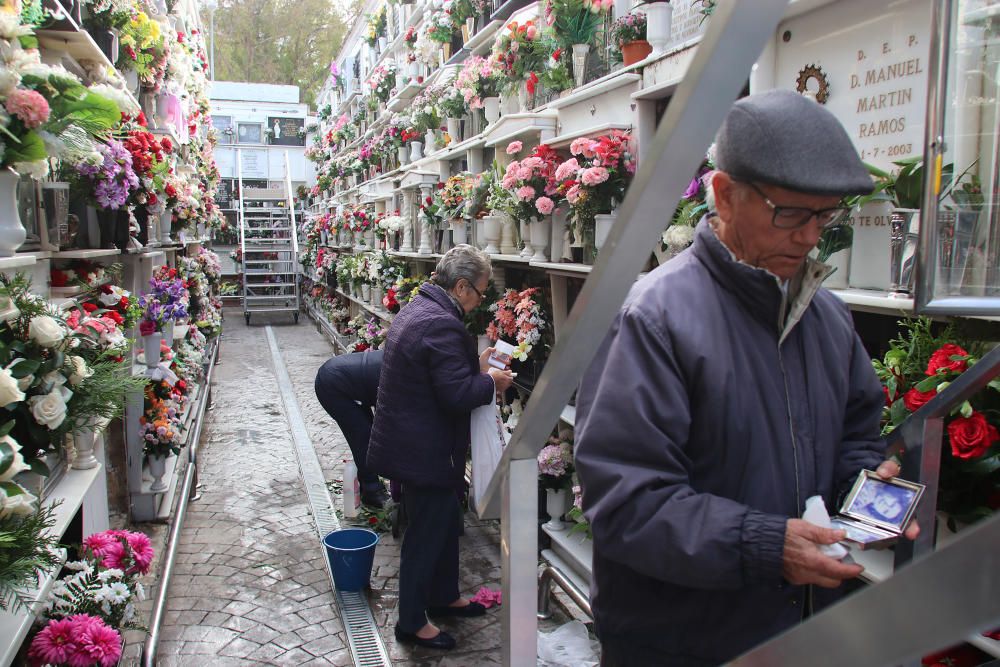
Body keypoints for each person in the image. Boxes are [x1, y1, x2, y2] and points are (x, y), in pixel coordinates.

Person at [574, 89, 920, 667]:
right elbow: (625, 501)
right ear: (724, 195)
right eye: (790, 214)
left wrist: (866, 492)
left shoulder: (826, 317)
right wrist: (763, 545)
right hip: (678, 641)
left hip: (787, 632)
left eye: (824, 216)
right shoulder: (653, 318)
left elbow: (856, 434)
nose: (810, 237)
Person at [367, 244, 514, 651]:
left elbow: (440, 375)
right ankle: (411, 622)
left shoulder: (422, 309)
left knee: (447, 521)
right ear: (463, 286)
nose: (481, 301)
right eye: (482, 293)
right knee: (427, 533)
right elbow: (454, 395)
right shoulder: (441, 324)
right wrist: (490, 383)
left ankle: (444, 595)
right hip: (424, 450)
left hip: (417, 442)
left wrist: (475, 367)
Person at [313, 348, 391, 509]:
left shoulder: (405, 361)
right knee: (362, 438)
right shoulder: (404, 373)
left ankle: (367, 484)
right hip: (333, 385)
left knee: (368, 436)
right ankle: (371, 491)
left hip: (348, 380)